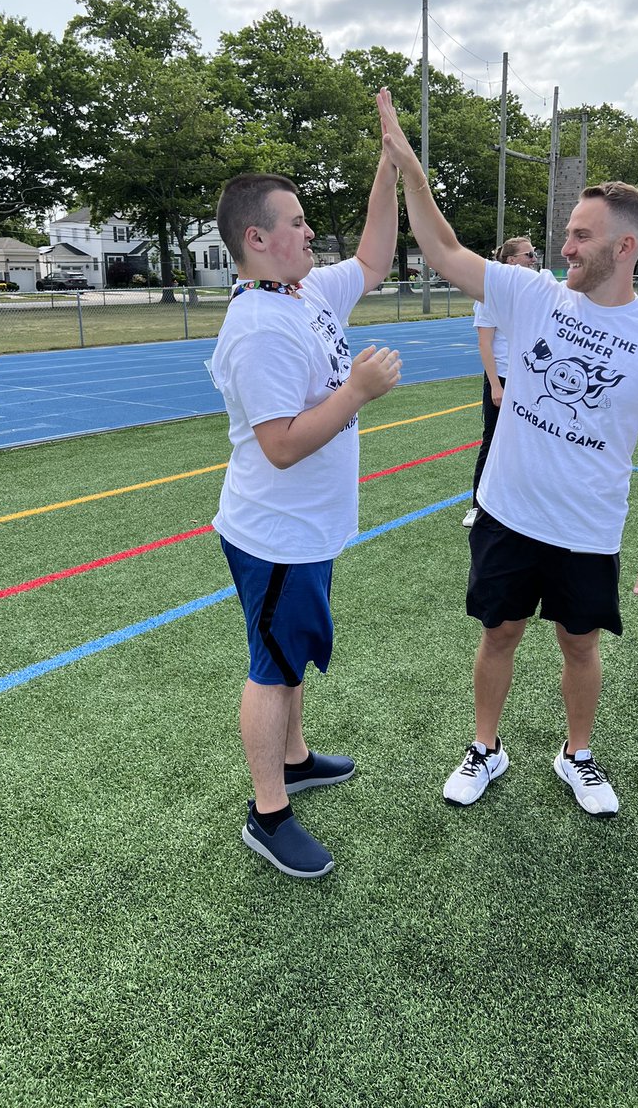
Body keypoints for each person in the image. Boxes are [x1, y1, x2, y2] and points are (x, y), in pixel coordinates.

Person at [377, 87, 638, 817]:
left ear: (624, 247)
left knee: (579, 645)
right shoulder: (533, 295)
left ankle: (577, 755)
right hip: (507, 511)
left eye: (582, 236)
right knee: (498, 634)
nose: (565, 246)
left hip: (587, 528)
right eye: (566, 232)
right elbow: (441, 249)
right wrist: (409, 169)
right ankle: (485, 747)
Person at [210, 153, 401, 878]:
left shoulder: (304, 291)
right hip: (275, 534)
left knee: (291, 655)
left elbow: (374, 258)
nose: (308, 229)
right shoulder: (259, 327)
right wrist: (356, 392)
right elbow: (281, 445)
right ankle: (268, 814)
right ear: (257, 240)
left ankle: (293, 760)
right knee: (272, 667)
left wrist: (386, 170)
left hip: (307, 530)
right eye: (295, 222)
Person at [462, 237, 538, 528]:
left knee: (526, 440)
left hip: (526, 377)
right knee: (492, 440)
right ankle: (477, 506)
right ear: (510, 261)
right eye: (528, 254)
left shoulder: (531, 291)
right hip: (502, 377)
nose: (533, 258)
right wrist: (495, 385)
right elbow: (485, 344)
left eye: (534, 253)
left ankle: (517, 502)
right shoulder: (490, 295)